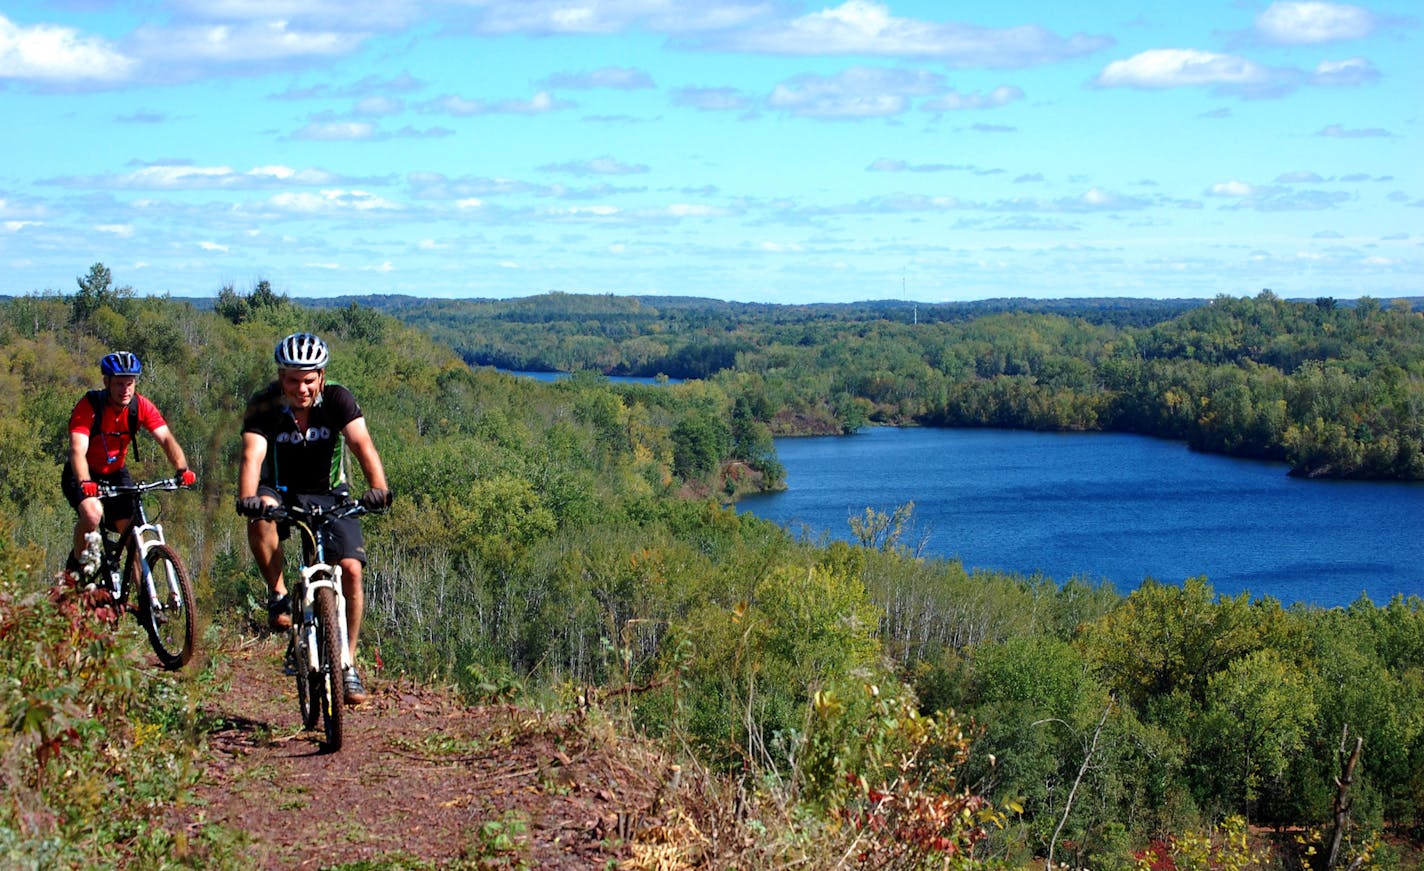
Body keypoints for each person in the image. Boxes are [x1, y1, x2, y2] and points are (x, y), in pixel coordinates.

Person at [235, 332, 391, 705]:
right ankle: (278, 594)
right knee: (259, 517)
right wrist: (247, 496)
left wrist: (379, 488)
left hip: (328, 492)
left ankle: (348, 662)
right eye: (292, 379)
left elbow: (361, 444)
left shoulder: (338, 398)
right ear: (280, 377)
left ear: (321, 376)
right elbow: (252, 455)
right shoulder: (265, 403)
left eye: (308, 379)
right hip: (280, 488)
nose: (300, 388)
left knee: (351, 570)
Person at [62, 351, 196, 574]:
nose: (125, 390)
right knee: (92, 513)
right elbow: (77, 449)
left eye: (130, 383)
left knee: (133, 535)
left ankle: (145, 600)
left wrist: (182, 468)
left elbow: (165, 438)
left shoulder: (140, 406)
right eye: (119, 384)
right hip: (83, 472)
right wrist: (86, 481)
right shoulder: (89, 406)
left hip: (115, 471)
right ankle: (75, 568)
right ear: (106, 383)